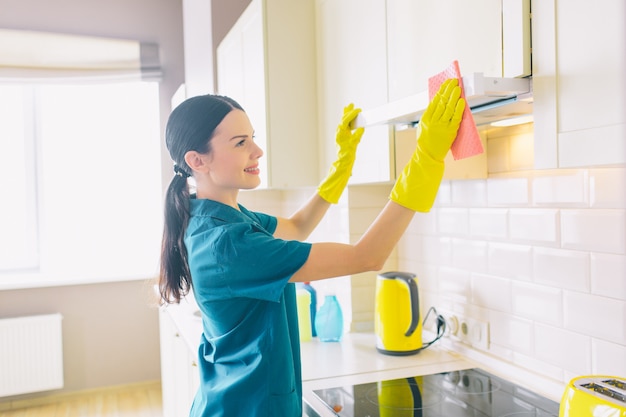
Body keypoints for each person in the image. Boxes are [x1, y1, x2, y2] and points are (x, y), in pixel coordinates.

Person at [159, 79, 465, 417]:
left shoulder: (219, 217)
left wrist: (342, 167)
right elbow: (367, 256)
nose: (257, 151)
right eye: (241, 142)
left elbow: (295, 227)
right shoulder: (228, 243)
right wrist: (426, 160)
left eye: (253, 138)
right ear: (197, 161)